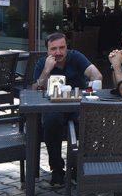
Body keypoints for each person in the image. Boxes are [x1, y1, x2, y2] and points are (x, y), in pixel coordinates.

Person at [29, 32, 105, 187]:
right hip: (54, 107)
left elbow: (96, 75)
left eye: (62, 47)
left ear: (67, 47)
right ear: (47, 50)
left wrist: (93, 83)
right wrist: (47, 71)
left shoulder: (75, 57)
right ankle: (57, 169)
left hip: (78, 106)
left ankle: (77, 167)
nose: (58, 52)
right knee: (51, 122)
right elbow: (35, 89)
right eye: (53, 49)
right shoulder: (43, 63)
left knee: (89, 121)